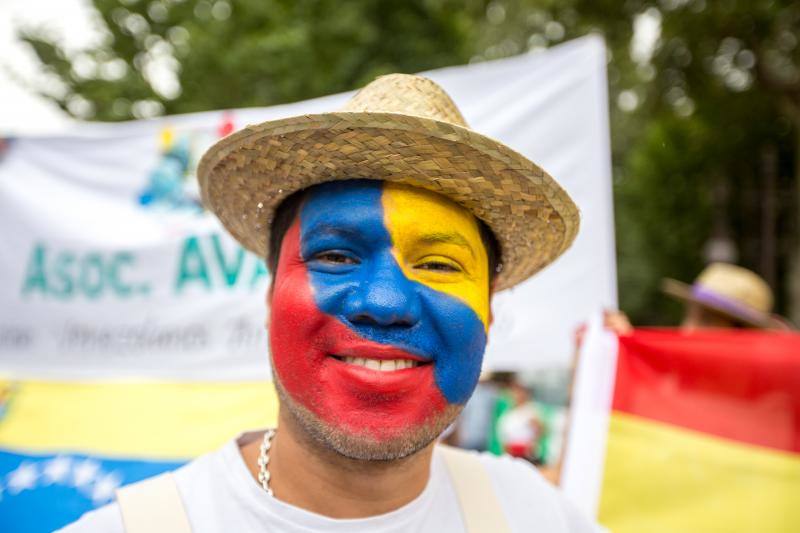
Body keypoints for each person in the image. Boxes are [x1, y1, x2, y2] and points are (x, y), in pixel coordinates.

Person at [61, 74, 597, 532]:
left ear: (488, 311)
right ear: (271, 296)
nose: (385, 303)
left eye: (438, 265)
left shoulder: (538, 516)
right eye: (336, 257)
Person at [603, 262, 794, 335]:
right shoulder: (675, 379)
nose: (687, 329)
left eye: (706, 320)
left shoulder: (772, 406)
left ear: (742, 335)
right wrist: (625, 348)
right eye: (688, 316)